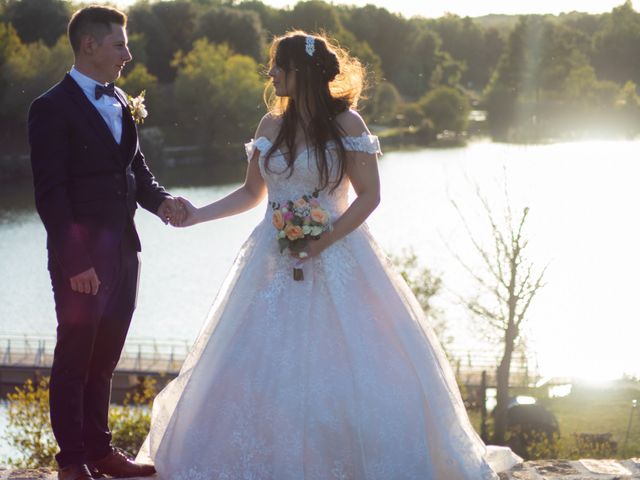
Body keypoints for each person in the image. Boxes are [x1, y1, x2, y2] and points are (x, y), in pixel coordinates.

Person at [136, 30, 521, 479]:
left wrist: (322, 240)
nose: (271, 73)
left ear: (301, 72)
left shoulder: (348, 126)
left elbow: (369, 197)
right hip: (272, 257)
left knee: (353, 363)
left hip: (339, 256)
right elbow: (250, 193)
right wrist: (197, 215)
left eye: (278, 66)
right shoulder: (269, 125)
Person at [28, 6, 185, 480]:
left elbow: (135, 172)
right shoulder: (50, 108)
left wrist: (162, 204)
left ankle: (100, 452)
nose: (128, 54)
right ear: (89, 45)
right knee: (75, 356)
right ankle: (71, 461)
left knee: (106, 357)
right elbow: (51, 194)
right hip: (81, 259)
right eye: (120, 45)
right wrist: (76, 261)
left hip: (124, 252)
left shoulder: (120, 101)